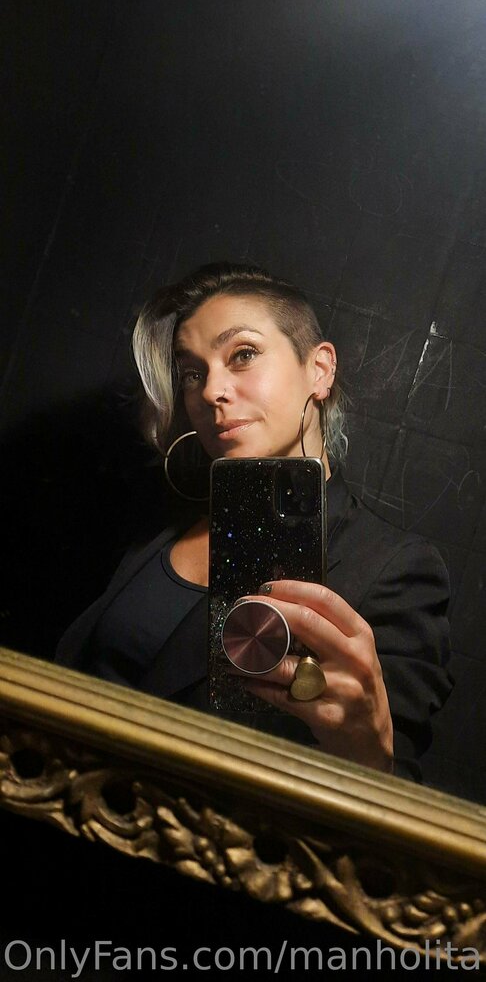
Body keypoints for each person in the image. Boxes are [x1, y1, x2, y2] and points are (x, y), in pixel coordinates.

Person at [55, 262, 452, 780]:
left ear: (320, 370)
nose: (209, 392)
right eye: (192, 373)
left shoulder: (392, 568)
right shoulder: (159, 521)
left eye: (242, 355)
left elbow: (396, 794)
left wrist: (366, 751)